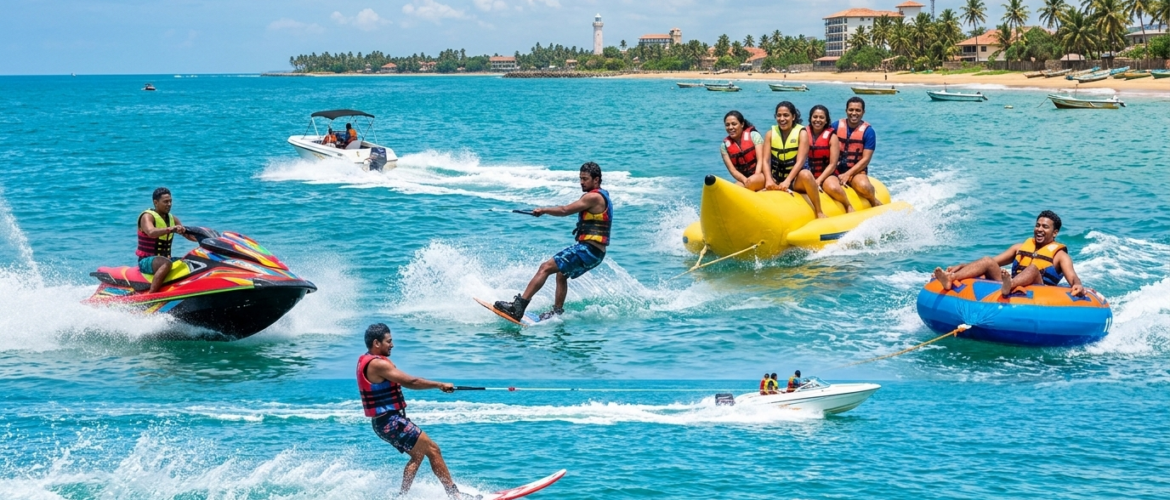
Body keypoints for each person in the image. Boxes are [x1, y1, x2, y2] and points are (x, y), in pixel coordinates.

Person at [358, 323, 466, 499]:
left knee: (418, 455)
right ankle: (455, 495)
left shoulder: (367, 359)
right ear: (376, 343)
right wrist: (440, 385)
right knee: (433, 449)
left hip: (383, 422)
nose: (392, 345)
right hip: (390, 421)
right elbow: (412, 382)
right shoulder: (377, 364)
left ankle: (402, 496)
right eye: (389, 341)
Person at [494, 162, 612, 321]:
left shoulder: (593, 197)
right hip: (596, 253)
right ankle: (556, 313)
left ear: (596, 180)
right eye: (580, 178)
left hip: (588, 250)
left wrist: (544, 210)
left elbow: (565, 210)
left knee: (545, 267)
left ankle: (518, 307)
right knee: (560, 274)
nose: (581, 182)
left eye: (585, 179)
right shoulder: (603, 196)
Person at [933, 210, 1085, 297]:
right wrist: (962, 267)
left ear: (1055, 233)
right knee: (987, 260)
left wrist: (1077, 285)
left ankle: (1010, 284)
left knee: (1032, 268)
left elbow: (1072, 276)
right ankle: (950, 279)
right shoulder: (1019, 248)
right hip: (1006, 285)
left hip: (1039, 291)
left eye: (1045, 227)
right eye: (1037, 225)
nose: (1039, 229)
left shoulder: (1060, 256)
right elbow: (993, 262)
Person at [763, 101, 826, 218]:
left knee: (806, 174)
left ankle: (819, 211)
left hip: (795, 180)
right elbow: (765, 161)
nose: (782, 119)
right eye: (779, 115)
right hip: (776, 178)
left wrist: (787, 181)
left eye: (786, 115)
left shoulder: (802, 133)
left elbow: (800, 161)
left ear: (793, 117)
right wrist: (768, 180)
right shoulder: (770, 134)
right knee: (753, 181)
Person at [136, 187, 197, 294]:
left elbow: (190, 236)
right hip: (146, 261)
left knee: (191, 262)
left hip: (165, 258)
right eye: (165, 202)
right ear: (156, 202)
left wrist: (208, 239)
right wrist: (170, 229)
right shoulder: (147, 217)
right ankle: (151, 295)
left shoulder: (172, 219)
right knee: (166, 264)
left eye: (170, 201)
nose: (169, 204)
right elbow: (151, 232)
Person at [834, 97, 883, 208]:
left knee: (864, 186)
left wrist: (848, 174)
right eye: (851, 110)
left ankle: (873, 200)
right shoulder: (836, 126)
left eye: (858, 110)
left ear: (863, 112)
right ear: (846, 110)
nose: (854, 113)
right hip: (835, 169)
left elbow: (866, 159)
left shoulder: (868, 132)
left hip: (857, 172)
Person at [806, 105, 853, 213]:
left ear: (826, 120)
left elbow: (832, 164)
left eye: (821, 117)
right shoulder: (803, 133)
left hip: (827, 174)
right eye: (815, 117)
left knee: (833, 188)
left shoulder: (832, 136)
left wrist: (818, 181)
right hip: (808, 174)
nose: (818, 120)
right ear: (810, 118)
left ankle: (848, 205)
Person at [720, 110, 766, 191]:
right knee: (732, 190)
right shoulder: (724, 146)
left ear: (742, 124)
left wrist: (756, 176)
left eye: (734, 124)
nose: (730, 127)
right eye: (727, 125)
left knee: (751, 182)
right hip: (744, 179)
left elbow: (761, 160)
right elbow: (733, 170)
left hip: (761, 175)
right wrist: (745, 180)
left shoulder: (754, 135)